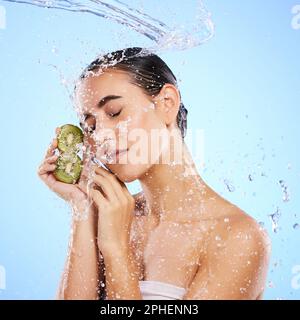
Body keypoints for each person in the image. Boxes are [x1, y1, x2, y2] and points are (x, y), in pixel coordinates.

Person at [37, 47, 271, 300]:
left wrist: (117, 250)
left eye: (114, 112)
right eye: (90, 127)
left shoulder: (235, 237)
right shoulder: (108, 214)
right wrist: (81, 206)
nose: (100, 135)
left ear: (167, 104)